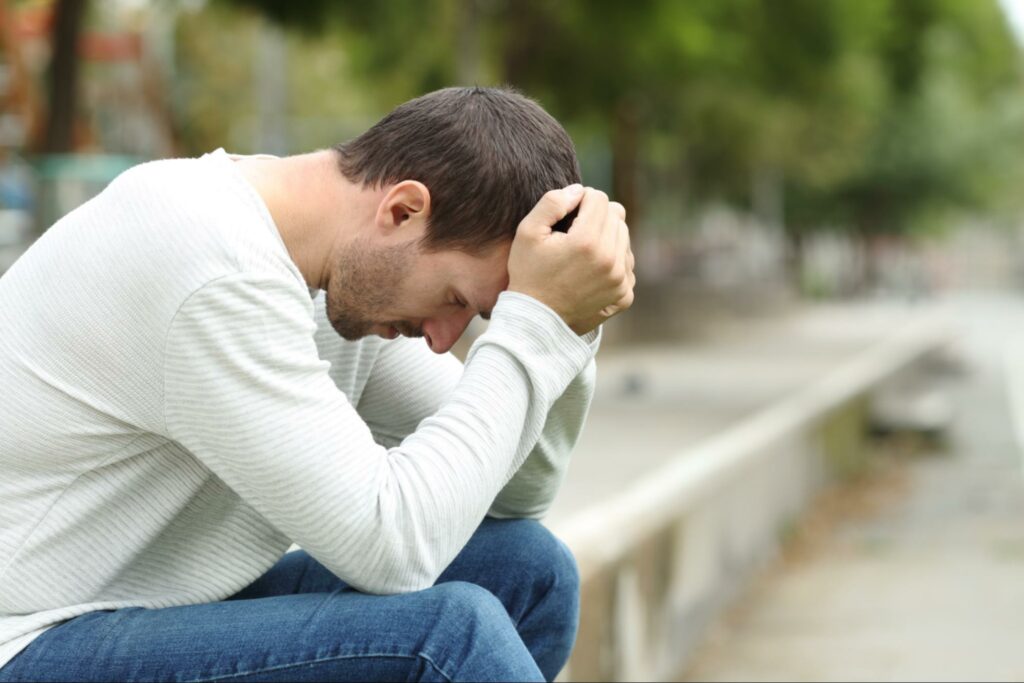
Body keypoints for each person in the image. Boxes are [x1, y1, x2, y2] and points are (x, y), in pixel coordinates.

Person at [0, 86, 634, 682]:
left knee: (529, 570)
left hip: (134, 608)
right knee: (448, 638)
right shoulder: (215, 267)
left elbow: (510, 495)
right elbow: (394, 548)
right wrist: (532, 327)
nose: (444, 340)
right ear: (403, 211)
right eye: (455, 299)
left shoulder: (340, 280)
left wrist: (565, 325)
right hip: (28, 639)